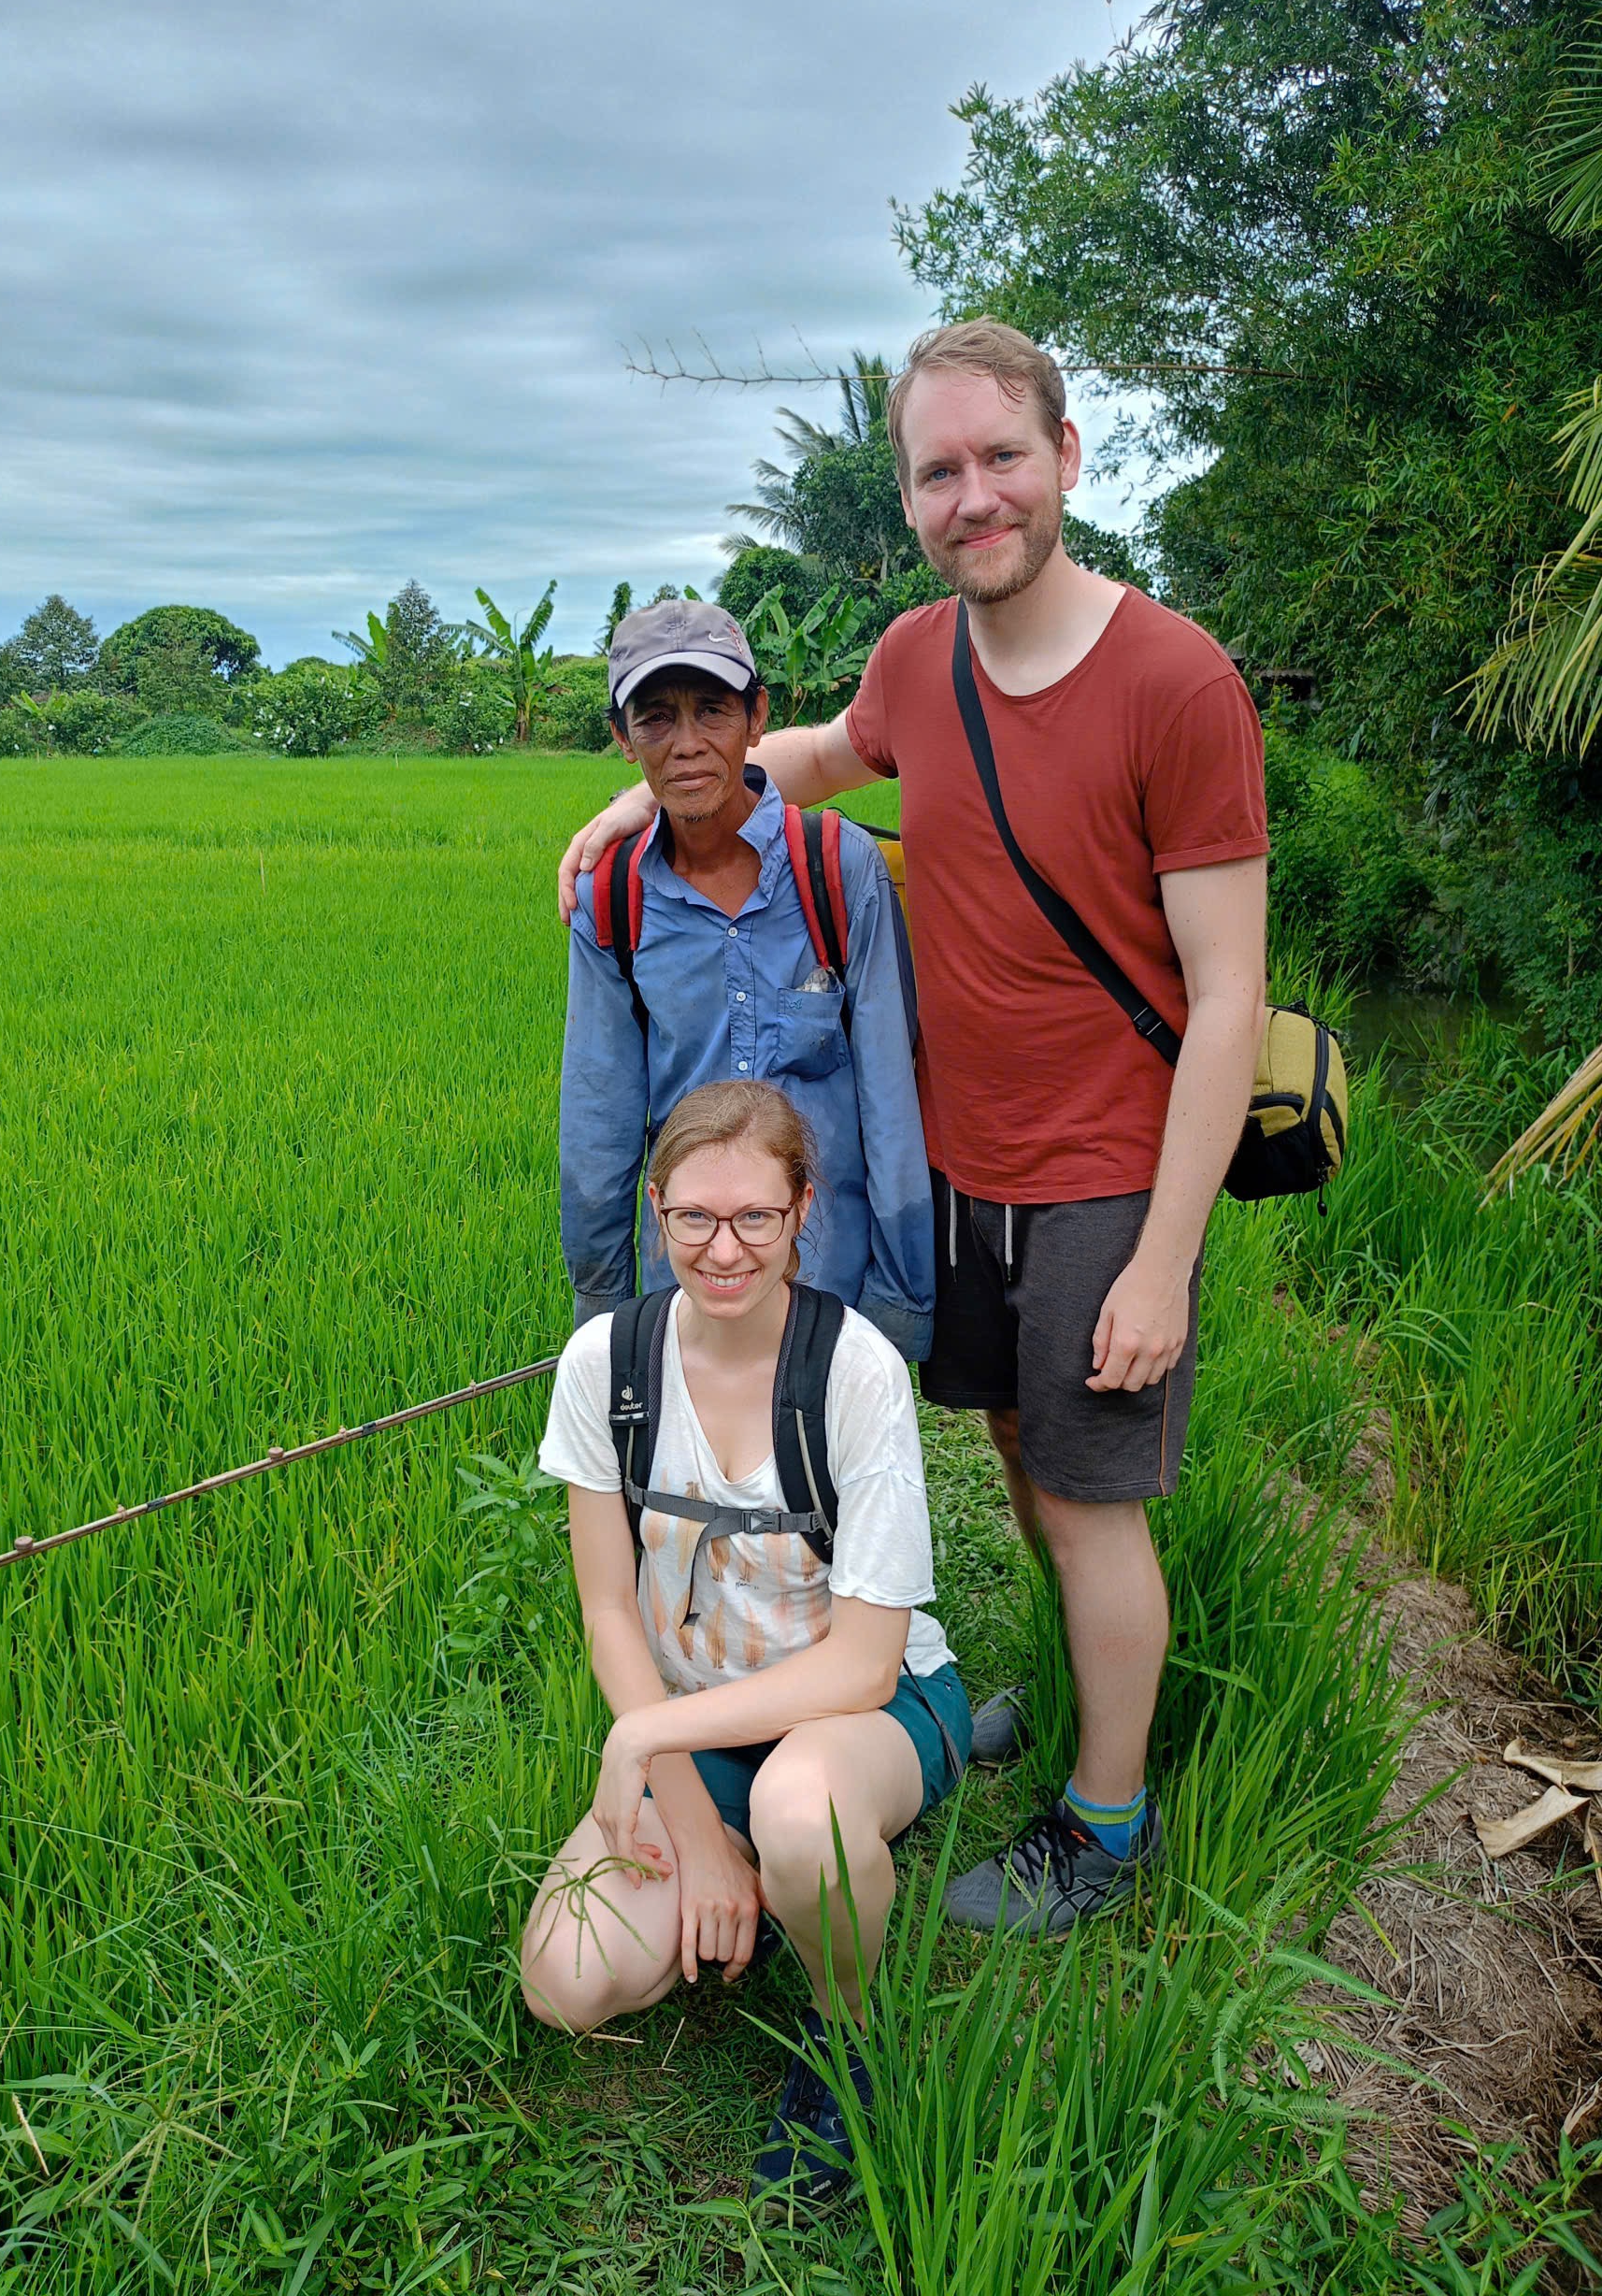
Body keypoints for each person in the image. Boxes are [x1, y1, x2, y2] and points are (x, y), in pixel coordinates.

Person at [558, 322, 1268, 1937]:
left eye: (1001, 457)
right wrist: (635, 804)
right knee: (1025, 1467)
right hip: (959, 1168)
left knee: (1094, 1504)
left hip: (1106, 1172)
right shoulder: (915, 661)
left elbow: (1227, 999)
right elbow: (793, 760)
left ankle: (1105, 1826)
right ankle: (1028, 1727)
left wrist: (1163, 1261)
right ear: (910, 498)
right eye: (939, 471)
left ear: (1067, 458)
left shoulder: (1179, 683)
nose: (975, 496)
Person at [522, 1079, 971, 2201]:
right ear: (657, 1205)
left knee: (796, 1812)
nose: (725, 1250)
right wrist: (685, 1810)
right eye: (694, 1219)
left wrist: (647, 1742)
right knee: (568, 1977)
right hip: (707, 1721)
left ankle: (849, 2033)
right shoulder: (607, 1366)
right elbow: (610, 1611)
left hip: (866, 1710)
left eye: (756, 1218)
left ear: (801, 1210)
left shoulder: (855, 1371)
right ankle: (774, 1885)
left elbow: (866, 1659)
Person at [560, 596, 934, 1361]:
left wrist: (900, 1304)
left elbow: (893, 1103)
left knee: (818, 1475)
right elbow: (598, 1117)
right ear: (623, 739)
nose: (688, 744)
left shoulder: (837, 868)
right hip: (687, 1279)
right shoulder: (616, 897)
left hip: (830, 1277)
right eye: (656, 717)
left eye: (714, 711)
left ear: (757, 718)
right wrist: (603, 1320)